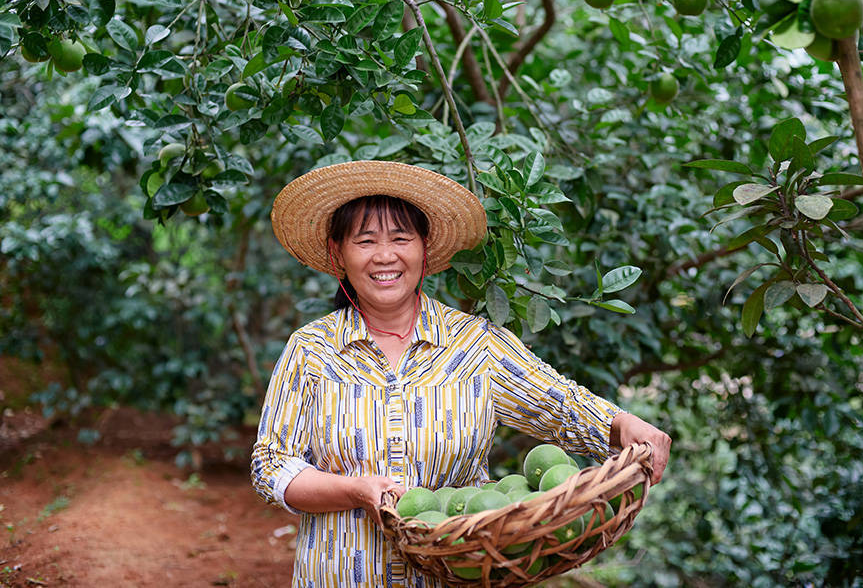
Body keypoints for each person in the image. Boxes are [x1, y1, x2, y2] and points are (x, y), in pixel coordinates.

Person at [251, 160, 671, 586]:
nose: (385, 256)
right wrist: (355, 490)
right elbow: (271, 465)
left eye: (401, 238)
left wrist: (622, 424)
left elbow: (558, 403)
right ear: (337, 252)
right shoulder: (312, 349)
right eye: (365, 241)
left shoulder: (474, 345)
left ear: (424, 248)